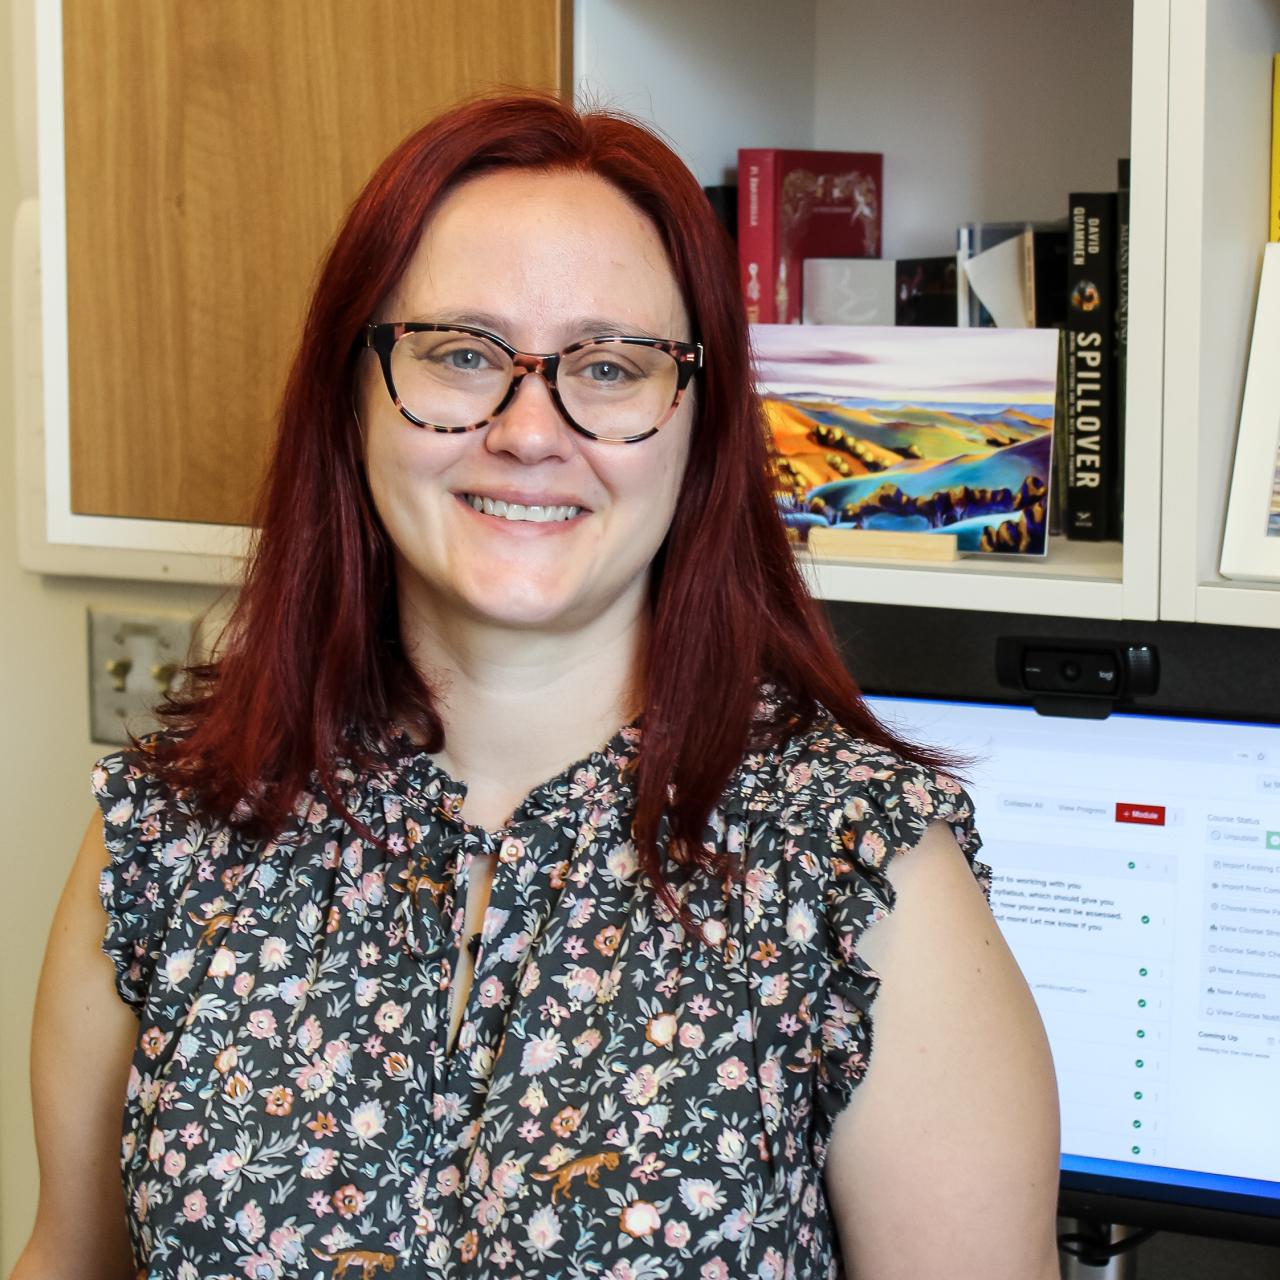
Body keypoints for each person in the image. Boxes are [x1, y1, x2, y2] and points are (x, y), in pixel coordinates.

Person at [14, 94, 1060, 1280]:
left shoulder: (860, 880)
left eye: (608, 367)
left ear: (698, 427)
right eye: (461, 353)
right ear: (350, 393)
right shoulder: (168, 833)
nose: (526, 429)